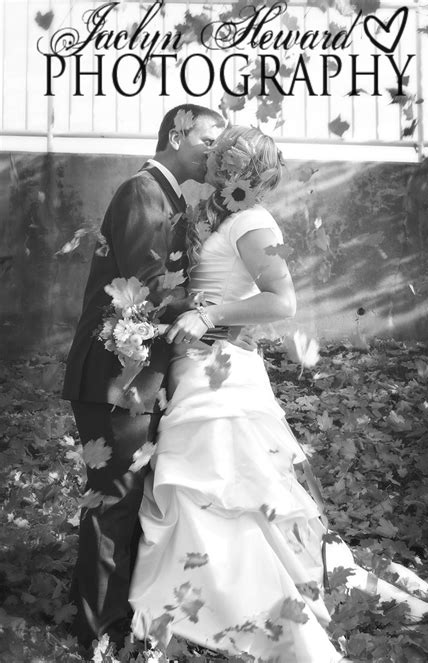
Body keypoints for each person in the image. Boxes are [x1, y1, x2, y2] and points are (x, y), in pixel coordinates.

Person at [129, 127, 428, 661]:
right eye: (218, 151)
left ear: (244, 171)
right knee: (207, 484)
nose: (216, 157)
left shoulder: (255, 221)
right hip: (197, 366)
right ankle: (202, 591)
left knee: (226, 484)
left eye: (227, 153)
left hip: (222, 370)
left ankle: (248, 602)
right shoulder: (217, 216)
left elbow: (281, 303)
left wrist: (208, 314)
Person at [62, 104, 225, 650]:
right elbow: (141, 287)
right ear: (177, 135)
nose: (215, 151)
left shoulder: (172, 196)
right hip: (113, 379)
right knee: (112, 503)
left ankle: (111, 612)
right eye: (208, 138)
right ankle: (96, 635)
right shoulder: (141, 192)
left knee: (128, 501)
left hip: (139, 376)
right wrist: (209, 313)